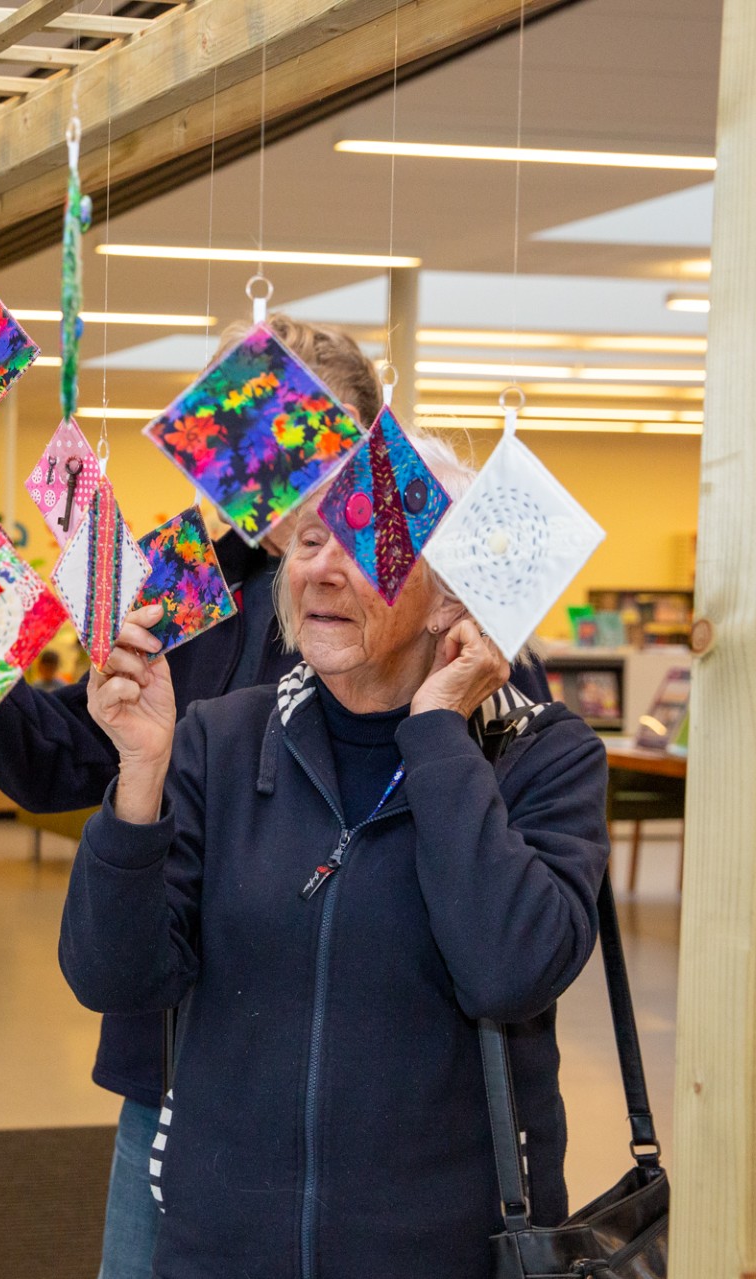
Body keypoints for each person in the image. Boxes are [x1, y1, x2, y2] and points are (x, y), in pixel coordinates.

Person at [0, 317, 535, 1279]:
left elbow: (505, 779)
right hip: (175, 1058)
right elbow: (71, 757)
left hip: (385, 1084)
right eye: (247, 441)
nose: (271, 479)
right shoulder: (188, 577)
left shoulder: (432, 600)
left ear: (369, 447)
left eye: (305, 444)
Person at [59, 454, 610, 1276]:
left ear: (452, 595)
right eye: (313, 537)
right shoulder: (221, 738)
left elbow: (508, 970)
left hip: (444, 1252)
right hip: (219, 1248)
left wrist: (436, 731)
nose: (321, 565)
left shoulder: (543, 755)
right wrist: (139, 780)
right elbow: (114, 977)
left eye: (365, 543)